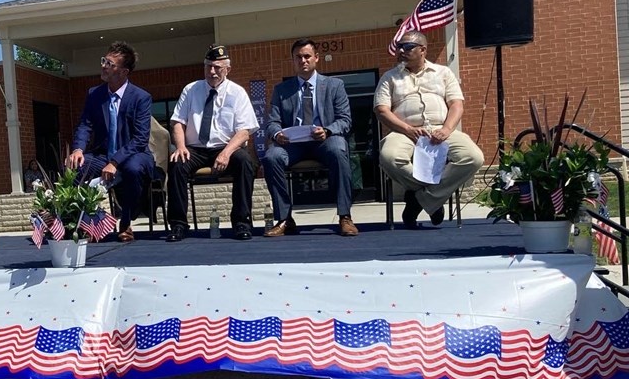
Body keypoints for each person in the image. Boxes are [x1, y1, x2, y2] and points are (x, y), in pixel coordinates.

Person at [375, 30, 484, 229]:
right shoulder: (389, 77)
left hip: (440, 129)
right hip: (404, 131)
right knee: (389, 156)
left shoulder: (443, 73)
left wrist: (447, 129)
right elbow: (381, 110)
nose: (401, 51)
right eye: (399, 47)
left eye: (407, 47)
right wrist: (408, 129)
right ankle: (433, 197)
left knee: (473, 157)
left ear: (423, 50)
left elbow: (456, 105)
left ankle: (419, 199)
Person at [262, 39, 358, 237]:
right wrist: (278, 134)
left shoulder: (334, 85)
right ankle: (285, 219)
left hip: (324, 141)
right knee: (271, 157)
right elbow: (272, 122)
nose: (303, 61)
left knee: (339, 149)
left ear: (316, 58)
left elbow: (345, 120)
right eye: (298, 57)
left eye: (307, 56)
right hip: (293, 144)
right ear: (293, 60)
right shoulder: (282, 90)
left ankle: (345, 216)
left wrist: (327, 130)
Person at [166, 44, 259, 242]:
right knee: (177, 163)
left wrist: (226, 153)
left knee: (245, 162)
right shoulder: (191, 89)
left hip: (226, 147)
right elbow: (177, 122)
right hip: (195, 149)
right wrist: (180, 147)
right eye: (208, 66)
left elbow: (244, 132)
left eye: (217, 67)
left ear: (228, 69)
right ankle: (178, 225)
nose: (212, 71)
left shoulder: (237, 92)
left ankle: (241, 222)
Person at [65, 41, 154, 242]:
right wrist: (78, 149)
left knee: (132, 169)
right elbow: (85, 125)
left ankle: (126, 222)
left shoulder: (141, 98)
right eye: (103, 61)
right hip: (103, 154)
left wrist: (115, 162)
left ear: (124, 72)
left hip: (133, 155)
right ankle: (79, 224)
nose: (103, 66)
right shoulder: (94, 95)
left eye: (110, 64)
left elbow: (140, 139)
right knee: (76, 166)